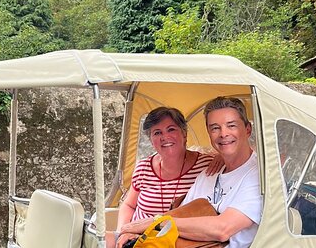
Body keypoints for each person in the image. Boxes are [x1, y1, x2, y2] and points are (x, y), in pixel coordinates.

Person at [118, 97, 262, 248]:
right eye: (215, 128)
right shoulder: (209, 172)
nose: (223, 134)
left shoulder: (259, 176)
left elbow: (223, 230)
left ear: (247, 129)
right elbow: (180, 214)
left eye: (231, 126)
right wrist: (137, 232)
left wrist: (155, 222)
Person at [109, 107, 223, 248]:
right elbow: (129, 205)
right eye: (157, 133)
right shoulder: (143, 167)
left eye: (171, 129)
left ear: (184, 133)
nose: (165, 137)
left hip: (178, 241)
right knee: (98, 240)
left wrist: (222, 156)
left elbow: (243, 158)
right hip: (135, 236)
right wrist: (123, 232)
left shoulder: (207, 166)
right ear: (151, 140)